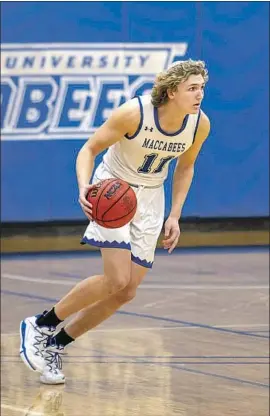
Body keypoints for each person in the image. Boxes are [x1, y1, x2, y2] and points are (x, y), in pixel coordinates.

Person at [19, 59, 210, 384]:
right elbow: (89, 149)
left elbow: (185, 167)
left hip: (151, 198)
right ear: (173, 90)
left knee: (126, 292)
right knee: (117, 278)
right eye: (192, 88)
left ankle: (55, 344)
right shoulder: (133, 114)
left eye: (202, 88)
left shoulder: (199, 124)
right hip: (114, 190)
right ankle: (41, 323)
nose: (199, 95)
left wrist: (174, 214)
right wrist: (84, 186)